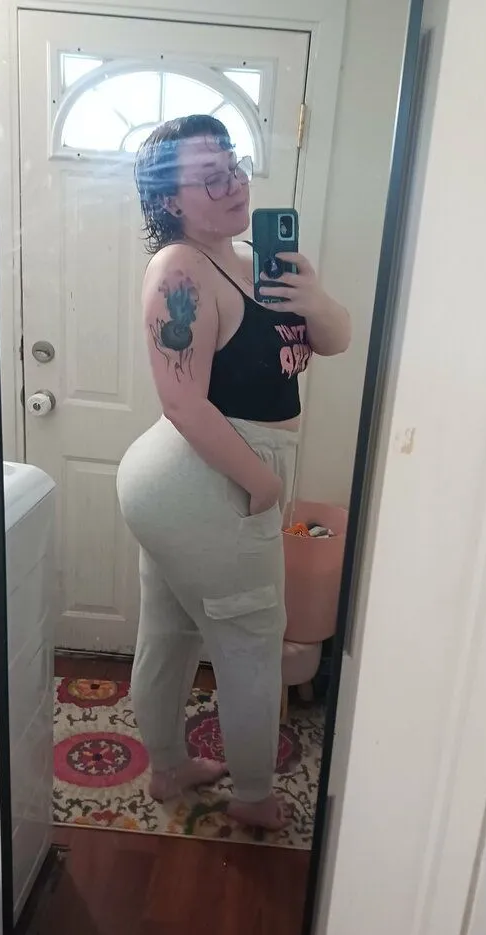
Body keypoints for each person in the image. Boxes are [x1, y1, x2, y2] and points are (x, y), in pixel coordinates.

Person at [116, 114, 351, 831]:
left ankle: (168, 768)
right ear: (170, 200)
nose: (232, 183)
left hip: (197, 478)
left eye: (234, 164)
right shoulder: (180, 270)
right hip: (211, 474)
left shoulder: (258, 259)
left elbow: (334, 341)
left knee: (170, 632)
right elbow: (183, 401)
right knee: (253, 643)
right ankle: (252, 797)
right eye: (208, 176)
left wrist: (312, 299)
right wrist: (262, 483)